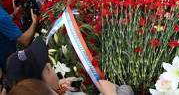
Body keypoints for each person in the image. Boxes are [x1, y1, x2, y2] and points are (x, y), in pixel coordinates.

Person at [6, 37, 134, 95]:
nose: (50, 64)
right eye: (47, 68)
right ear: (40, 86)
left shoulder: (61, 88)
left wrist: (60, 88)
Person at [0, 0, 37, 73]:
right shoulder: (2, 16)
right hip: (7, 60)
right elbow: (25, 40)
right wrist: (34, 22)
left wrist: (13, 14)